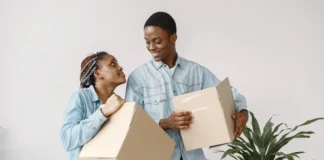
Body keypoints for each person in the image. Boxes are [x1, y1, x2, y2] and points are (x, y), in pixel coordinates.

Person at [125, 12, 249, 160]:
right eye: (147, 42)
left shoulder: (196, 71)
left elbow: (228, 93)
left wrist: (243, 112)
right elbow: (130, 124)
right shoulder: (138, 77)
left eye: (157, 41)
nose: (151, 47)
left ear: (173, 38)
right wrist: (164, 123)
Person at [60, 51, 126, 160]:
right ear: (98, 74)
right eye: (113, 64)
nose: (120, 67)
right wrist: (103, 113)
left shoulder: (120, 104)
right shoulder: (81, 97)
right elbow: (67, 140)